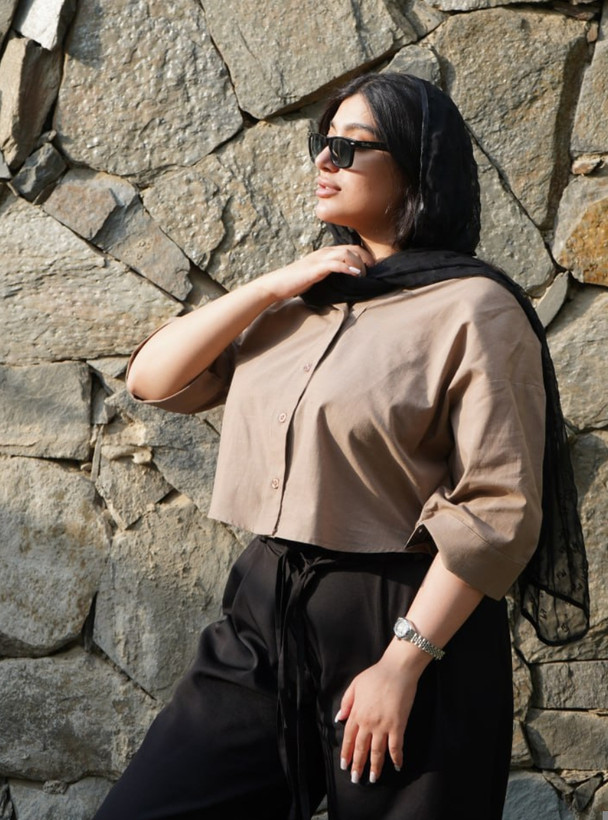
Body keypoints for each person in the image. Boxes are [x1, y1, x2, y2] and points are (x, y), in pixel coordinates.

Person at [93, 72, 587, 820]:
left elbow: (497, 509)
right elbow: (152, 379)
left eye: (349, 147)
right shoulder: (307, 298)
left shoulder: (476, 309)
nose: (324, 161)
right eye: (321, 144)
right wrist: (272, 286)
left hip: (407, 616)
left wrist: (402, 664)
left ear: (415, 168)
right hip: (268, 609)